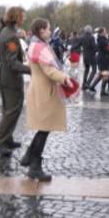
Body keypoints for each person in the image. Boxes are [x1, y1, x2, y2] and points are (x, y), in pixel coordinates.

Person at [21, 19, 73, 181]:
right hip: (44, 92)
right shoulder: (40, 47)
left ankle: (29, 157)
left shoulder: (36, 44)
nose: (50, 32)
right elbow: (49, 70)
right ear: (41, 30)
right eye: (48, 29)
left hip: (40, 90)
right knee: (44, 129)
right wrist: (64, 78)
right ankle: (34, 167)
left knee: (43, 129)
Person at [0, 7, 31, 158]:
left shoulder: (6, 31)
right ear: (17, 17)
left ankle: (7, 139)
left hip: (7, 78)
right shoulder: (11, 36)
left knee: (10, 111)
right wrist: (31, 70)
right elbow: (13, 63)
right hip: (11, 80)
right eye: (23, 16)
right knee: (11, 112)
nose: (24, 18)